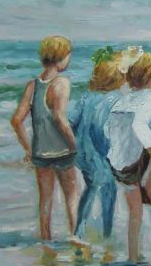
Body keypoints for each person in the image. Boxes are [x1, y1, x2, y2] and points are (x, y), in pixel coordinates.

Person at [106, 47, 151, 266]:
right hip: (144, 157)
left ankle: (133, 257)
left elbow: (109, 130)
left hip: (120, 162)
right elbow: (139, 124)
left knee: (134, 211)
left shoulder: (121, 101)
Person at [11, 35, 79, 241]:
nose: (69, 59)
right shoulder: (61, 83)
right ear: (60, 57)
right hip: (63, 150)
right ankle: (76, 237)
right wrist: (75, 145)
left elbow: (16, 120)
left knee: (45, 199)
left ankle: (46, 241)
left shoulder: (32, 86)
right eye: (68, 55)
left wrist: (29, 150)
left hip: (41, 152)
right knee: (71, 197)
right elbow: (59, 118)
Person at [69, 47, 124, 239]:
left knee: (92, 186)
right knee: (107, 188)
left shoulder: (85, 97)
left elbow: (70, 122)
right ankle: (105, 230)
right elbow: (111, 129)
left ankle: (80, 230)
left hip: (81, 152)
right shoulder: (115, 99)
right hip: (102, 150)